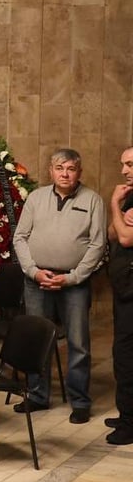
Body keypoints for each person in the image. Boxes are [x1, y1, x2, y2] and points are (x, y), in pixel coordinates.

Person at [12, 148, 107, 423]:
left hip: (74, 283)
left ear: (79, 172)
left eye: (71, 169)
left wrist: (73, 277)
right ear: (51, 171)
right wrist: (33, 272)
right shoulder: (36, 198)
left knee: (79, 343)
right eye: (59, 168)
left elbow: (98, 244)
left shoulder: (93, 200)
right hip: (37, 281)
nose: (65, 174)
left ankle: (80, 401)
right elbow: (20, 237)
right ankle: (37, 395)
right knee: (36, 338)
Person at [108, 146, 133, 445]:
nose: (124, 170)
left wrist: (114, 203)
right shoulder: (130, 196)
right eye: (123, 164)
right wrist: (121, 214)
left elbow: (126, 238)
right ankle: (127, 412)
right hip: (124, 289)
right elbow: (113, 233)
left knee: (127, 356)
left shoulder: (121, 197)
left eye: (130, 164)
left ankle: (129, 424)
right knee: (122, 355)